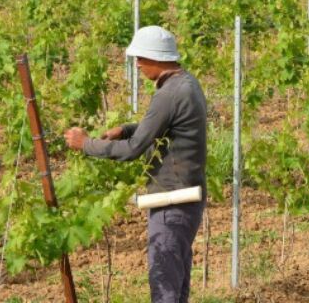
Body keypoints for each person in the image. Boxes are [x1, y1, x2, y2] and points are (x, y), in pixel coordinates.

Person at [63, 25, 207, 303]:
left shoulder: (168, 94)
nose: (138, 65)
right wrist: (126, 128)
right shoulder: (187, 82)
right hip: (188, 200)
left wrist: (86, 144)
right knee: (177, 285)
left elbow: (133, 150)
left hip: (171, 202)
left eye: (141, 58)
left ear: (157, 57)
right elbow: (162, 127)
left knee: (164, 285)